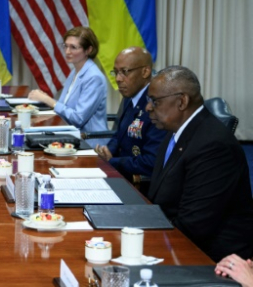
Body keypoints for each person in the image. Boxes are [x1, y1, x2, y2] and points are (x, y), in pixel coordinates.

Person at [146, 66, 253, 262]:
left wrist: (139, 233)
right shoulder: (175, 132)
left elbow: (193, 226)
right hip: (176, 237)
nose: (148, 107)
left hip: (210, 259)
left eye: (155, 101)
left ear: (181, 101)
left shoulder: (213, 146)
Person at [28, 26, 109, 146]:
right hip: (71, 135)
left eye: (73, 47)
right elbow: (65, 107)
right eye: (66, 46)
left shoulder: (94, 77)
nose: (67, 52)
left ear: (89, 50)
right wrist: (45, 99)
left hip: (89, 142)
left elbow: (78, 119)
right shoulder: (75, 71)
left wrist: (48, 100)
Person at [94, 47, 166, 179]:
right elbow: (119, 135)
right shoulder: (130, 97)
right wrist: (108, 151)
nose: (118, 79)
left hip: (138, 183)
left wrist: (112, 162)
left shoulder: (157, 105)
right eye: (115, 72)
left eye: (125, 72)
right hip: (120, 172)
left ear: (145, 72)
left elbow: (151, 162)